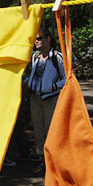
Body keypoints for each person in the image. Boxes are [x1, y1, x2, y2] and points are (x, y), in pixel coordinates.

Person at [27, 29, 65, 174]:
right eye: (35, 39)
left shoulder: (57, 57)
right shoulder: (35, 57)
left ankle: (53, 164)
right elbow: (34, 76)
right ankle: (43, 162)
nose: (36, 41)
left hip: (50, 99)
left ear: (48, 39)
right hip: (35, 98)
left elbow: (66, 77)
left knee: (51, 132)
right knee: (39, 132)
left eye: (39, 38)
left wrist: (53, 87)